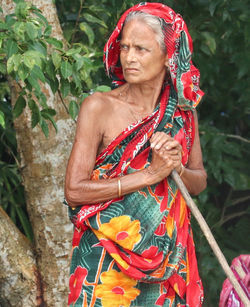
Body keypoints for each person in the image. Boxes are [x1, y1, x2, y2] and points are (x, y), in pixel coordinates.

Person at [64, 3, 207, 306]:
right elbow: (74, 191)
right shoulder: (99, 107)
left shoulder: (183, 114)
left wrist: (176, 168)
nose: (128, 57)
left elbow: (198, 182)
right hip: (105, 260)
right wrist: (150, 175)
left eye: (141, 49)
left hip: (166, 259)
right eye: (125, 47)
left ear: (169, 57)